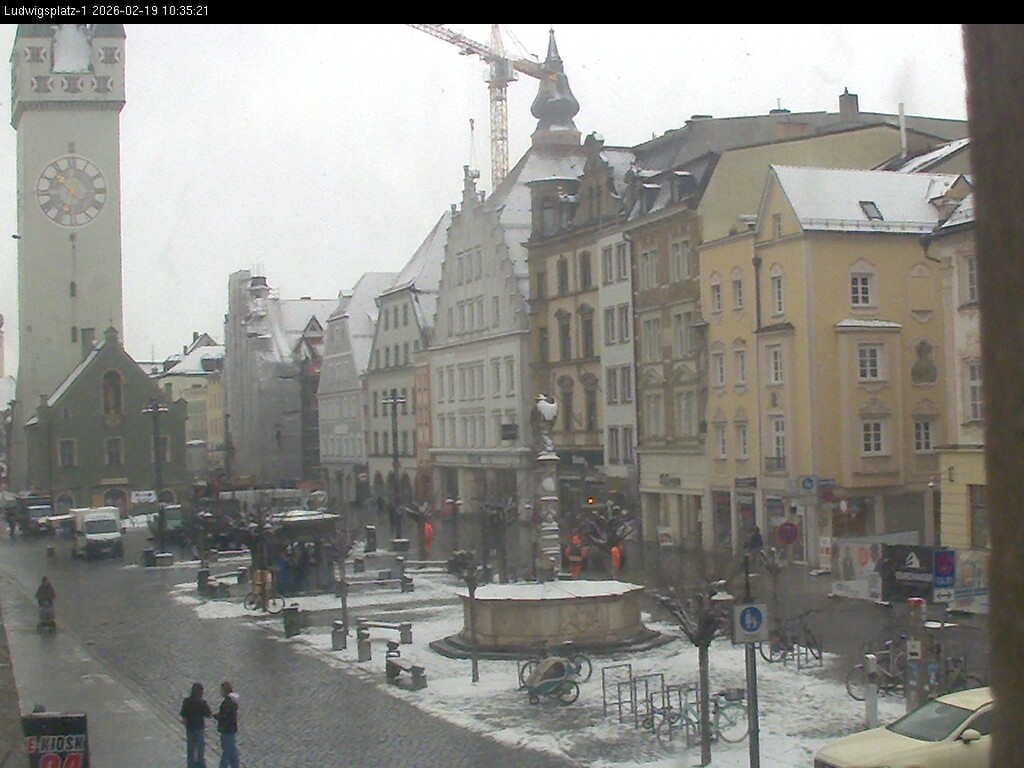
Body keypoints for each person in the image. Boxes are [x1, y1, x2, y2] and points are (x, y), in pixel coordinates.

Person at [180, 682, 213, 768]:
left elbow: (183, 713)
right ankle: (201, 765)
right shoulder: (202, 703)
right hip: (199, 728)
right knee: (200, 750)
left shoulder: (187, 701)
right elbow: (208, 714)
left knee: (190, 750)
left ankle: (191, 766)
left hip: (190, 728)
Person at [212, 680, 240, 768]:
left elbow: (224, 716)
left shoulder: (227, 703)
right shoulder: (232, 702)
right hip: (231, 729)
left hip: (226, 730)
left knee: (227, 752)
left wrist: (216, 716)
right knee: (232, 753)